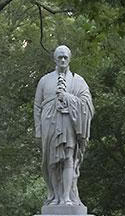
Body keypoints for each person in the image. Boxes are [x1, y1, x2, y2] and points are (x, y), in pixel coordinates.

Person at [34, 45, 94, 206]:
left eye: (65, 57)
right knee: (52, 162)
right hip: (49, 124)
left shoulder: (78, 81)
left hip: (69, 123)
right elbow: (37, 106)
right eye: (59, 57)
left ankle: (67, 197)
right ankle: (55, 197)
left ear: (69, 59)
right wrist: (38, 131)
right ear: (54, 59)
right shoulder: (44, 80)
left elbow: (87, 104)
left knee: (68, 157)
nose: (62, 60)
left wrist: (67, 97)